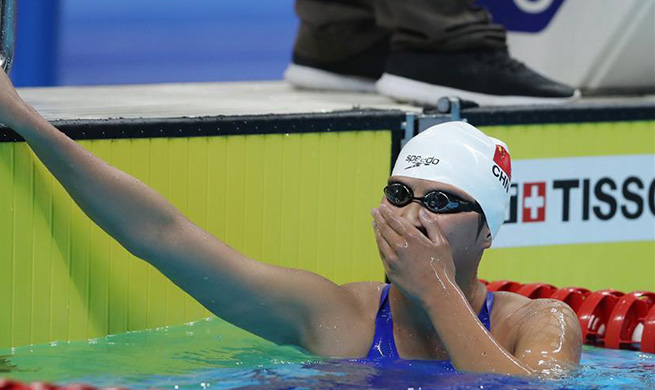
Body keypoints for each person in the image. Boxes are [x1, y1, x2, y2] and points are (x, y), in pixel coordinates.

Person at [0, 70, 581, 376]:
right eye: (400, 193)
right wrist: (23, 119)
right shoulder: (336, 319)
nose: (411, 217)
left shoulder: (541, 325)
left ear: (487, 232)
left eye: (443, 203)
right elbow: (162, 236)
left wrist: (437, 290)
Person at [285, 0, 580, 106]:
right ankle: (443, 36)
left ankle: (346, 29)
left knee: (349, 25)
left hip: (349, 44)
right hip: (439, 39)